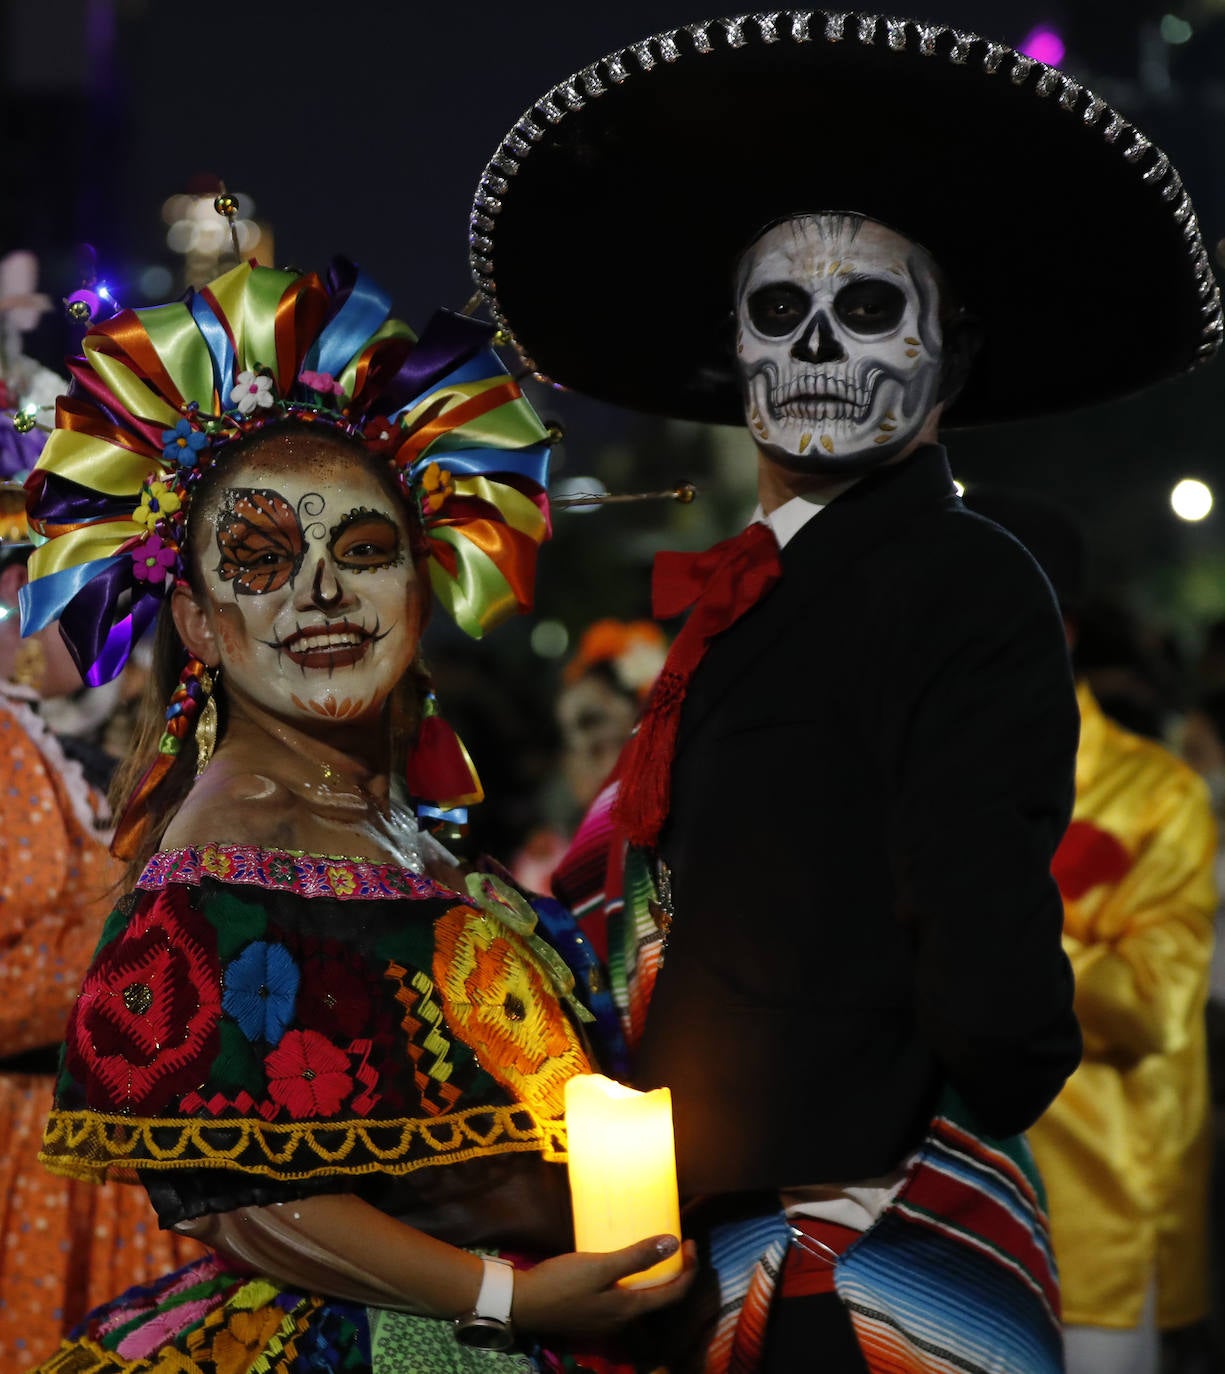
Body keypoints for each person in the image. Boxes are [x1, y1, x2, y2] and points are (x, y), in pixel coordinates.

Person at [472, 13, 1221, 1372]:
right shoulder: (765, 588)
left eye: (870, 308)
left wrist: (924, 1104)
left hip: (859, 1241)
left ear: (950, 356)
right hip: (724, 1232)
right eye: (779, 310)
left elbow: (986, 947)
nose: (818, 344)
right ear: (732, 351)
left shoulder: (961, 578)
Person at [21, 256, 692, 1373]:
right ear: (197, 621)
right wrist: (507, 1299)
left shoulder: (390, 827)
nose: (321, 591)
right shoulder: (233, 853)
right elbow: (230, 1192)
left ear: (422, 584)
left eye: (364, 550)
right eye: (260, 561)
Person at [966, 488, 1217, 1374]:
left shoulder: (1156, 796)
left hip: (1090, 1229)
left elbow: (1152, 1003)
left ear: (1058, 630)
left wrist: (985, 921)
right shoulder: (906, 771)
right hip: (929, 1217)